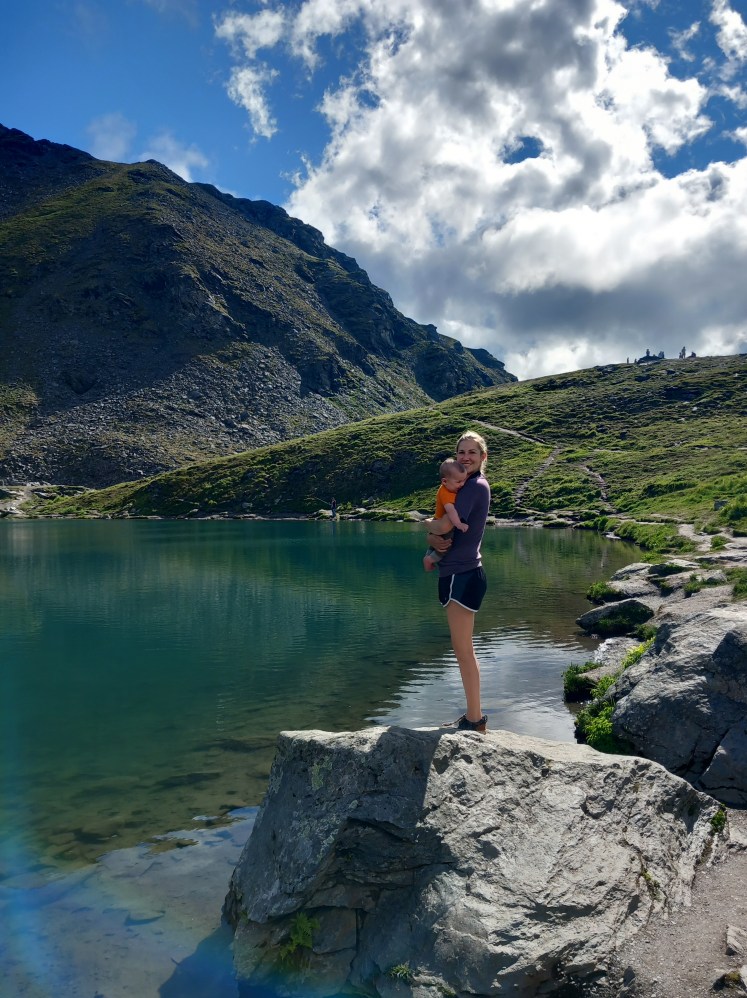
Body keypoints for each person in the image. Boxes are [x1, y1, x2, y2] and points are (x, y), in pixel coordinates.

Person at [426, 431, 491, 733]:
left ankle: (475, 720)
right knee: (463, 648)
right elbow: (443, 533)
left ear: (482, 458)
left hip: (462, 575)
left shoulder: (473, 488)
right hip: (460, 573)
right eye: (461, 452)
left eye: (472, 453)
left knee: (463, 649)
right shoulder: (464, 487)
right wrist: (433, 536)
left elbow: (443, 526)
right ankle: (473, 716)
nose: (466, 457)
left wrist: (425, 526)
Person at [422, 458, 469, 572]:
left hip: (436, 521)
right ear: (444, 481)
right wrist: (458, 524)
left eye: (464, 480)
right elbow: (451, 511)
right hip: (441, 523)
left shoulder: (447, 488)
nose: (462, 484)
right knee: (444, 547)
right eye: (458, 482)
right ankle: (430, 560)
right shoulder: (446, 494)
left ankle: (427, 558)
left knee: (435, 544)